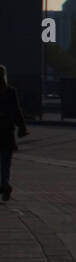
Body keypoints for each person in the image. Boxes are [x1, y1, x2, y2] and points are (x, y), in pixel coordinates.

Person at [0, 65, 30, 202]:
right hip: (7, 132)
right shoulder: (10, 91)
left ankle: (4, 185)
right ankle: (4, 184)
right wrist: (22, 127)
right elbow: (17, 111)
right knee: (6, 163)